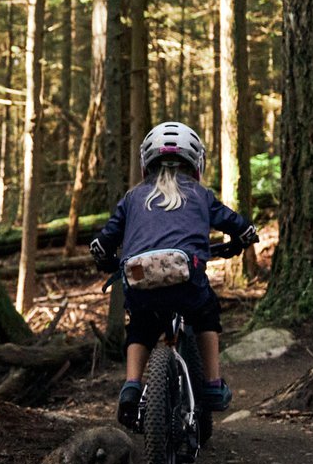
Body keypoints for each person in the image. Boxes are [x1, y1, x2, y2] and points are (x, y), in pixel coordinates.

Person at [87, 122, 258, 431]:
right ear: (196, 162)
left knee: (140, 325)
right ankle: (212, 384)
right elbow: (236, 224)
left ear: (146, 163)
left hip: (139, 278)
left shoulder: (132, 197)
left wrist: (105, 258)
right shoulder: (200, 194)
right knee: (206, 315)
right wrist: (245, 235)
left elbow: (104, 241)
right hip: (186, 279)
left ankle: (131, 384)